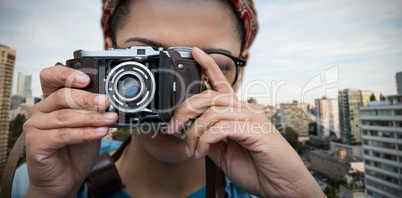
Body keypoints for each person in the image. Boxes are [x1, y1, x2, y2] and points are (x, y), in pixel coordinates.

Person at [15, 0, 325, 197]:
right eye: (146, 66)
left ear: (238, 74)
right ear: (106, 57)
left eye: (211, 65)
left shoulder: (271, 183)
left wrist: (296, 192)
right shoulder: (35, 179)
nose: (177, 97)